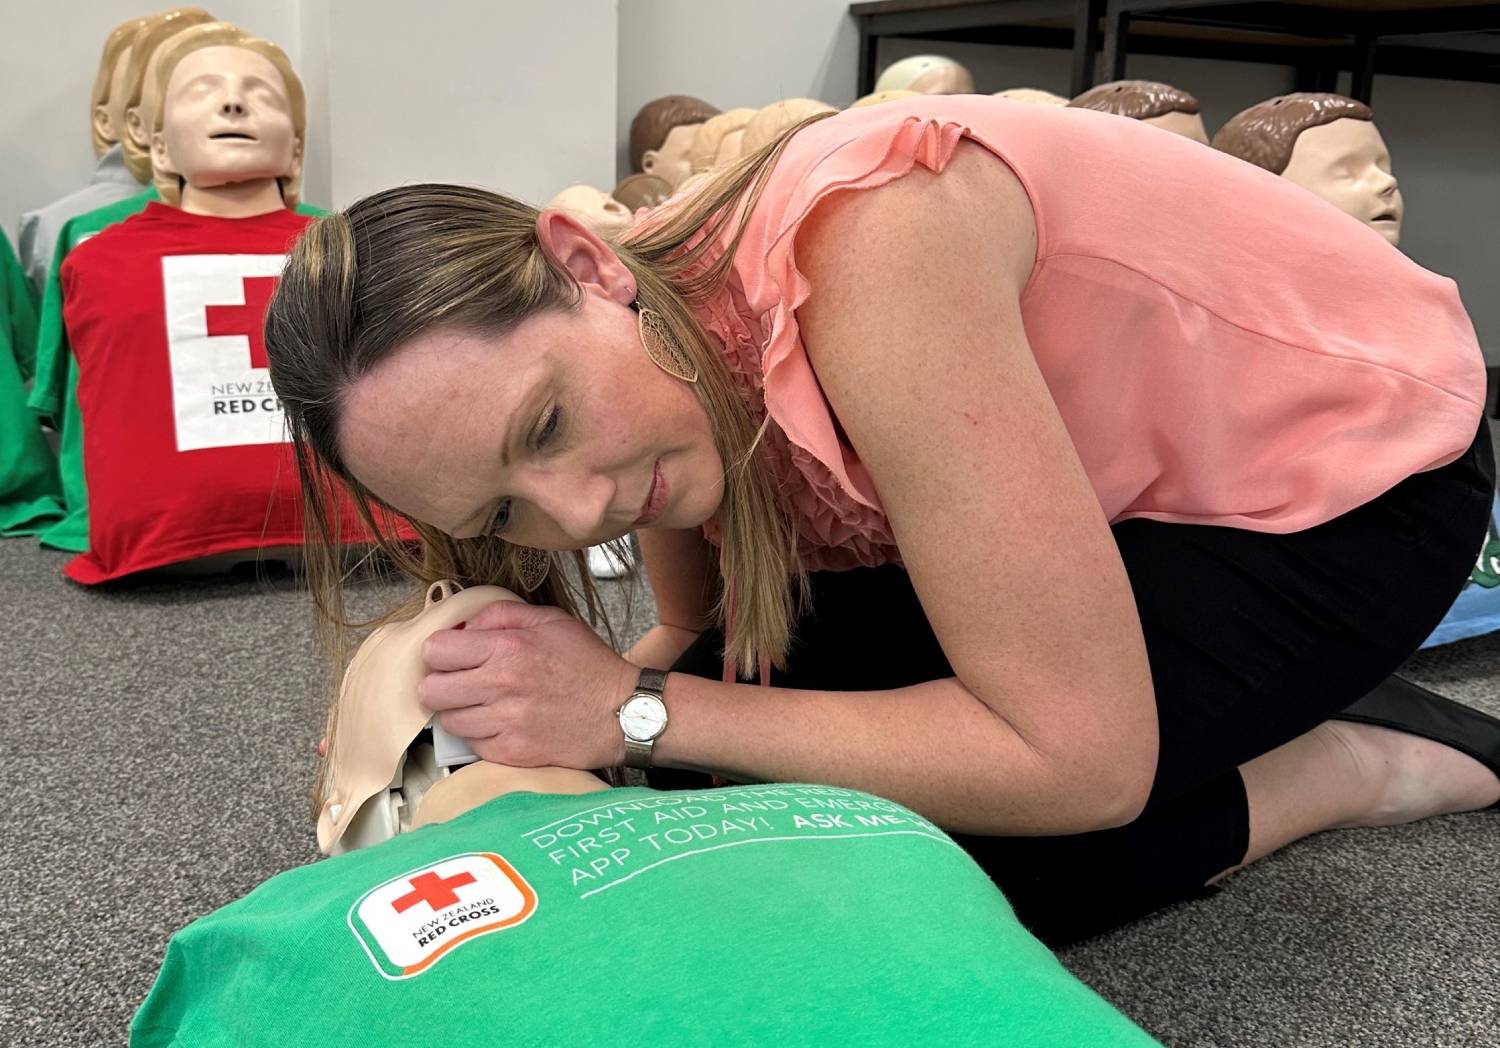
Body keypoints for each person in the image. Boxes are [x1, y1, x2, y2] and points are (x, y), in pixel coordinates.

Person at [264, 94, 1499, 946]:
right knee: (735, 794)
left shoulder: (873, 242)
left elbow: (1080, 761)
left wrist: (627, 711)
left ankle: (1345, 758)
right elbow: (700, 629)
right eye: (500, 509)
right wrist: (570, 716)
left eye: (543, 426)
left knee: (945, 857)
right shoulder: (655, 336)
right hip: (1115, 500)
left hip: (1350, 488)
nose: (579, 513)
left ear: (588, 263)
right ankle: (1204, 697)